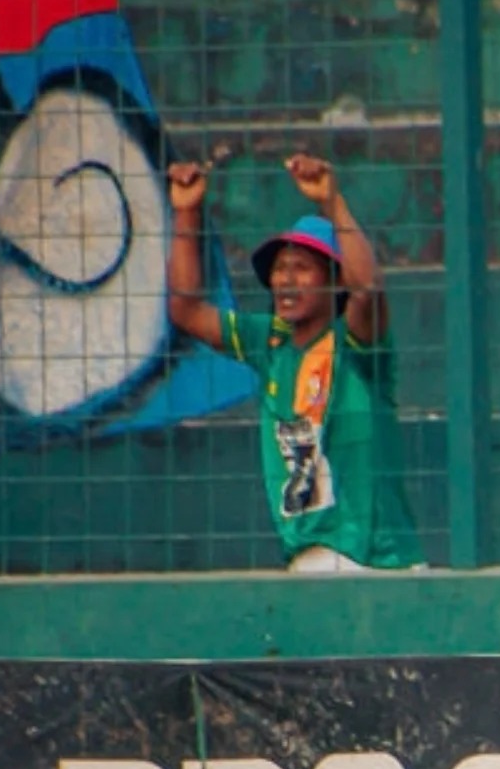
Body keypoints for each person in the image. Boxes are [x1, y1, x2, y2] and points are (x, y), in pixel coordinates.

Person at [166, 152, 423, 572]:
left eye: (302, 268)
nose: (285, 279)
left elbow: (369, 290)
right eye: (279, 269)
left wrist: (332, 200)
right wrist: (186, 213)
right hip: (308, 560)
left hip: (378, 560)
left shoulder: (355, 344)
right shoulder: (270, 343)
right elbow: (186, 311)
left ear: (335, 278)